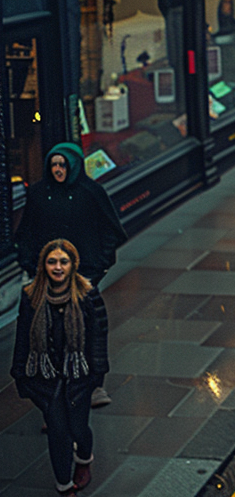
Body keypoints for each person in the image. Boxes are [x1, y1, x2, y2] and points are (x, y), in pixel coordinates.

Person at [15, 142, 125, 413]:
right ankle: (55, 388)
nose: (58, 170)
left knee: (90, 327)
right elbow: (27, 231)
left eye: (63, 165)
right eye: (53, 165)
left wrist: (98, 266)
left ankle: (94, 383)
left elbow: (111, 230)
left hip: (83, 275)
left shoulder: (90, 192)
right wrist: (30, 263)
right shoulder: (40, 194)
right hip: (48, 277)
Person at [11, 239, 109, 495]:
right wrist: (20, 375)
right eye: (52, 261)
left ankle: (84, 459)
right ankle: (64, 486)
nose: (57, 267)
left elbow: (99, 336)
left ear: (72, 264)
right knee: (58, 432)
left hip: (79, 377)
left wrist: (97, 376)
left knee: (78, 429)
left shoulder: (88, 293)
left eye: (63, 262)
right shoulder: (30, 295)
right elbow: (23, 336)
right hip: (47, 380)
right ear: (44, 264)